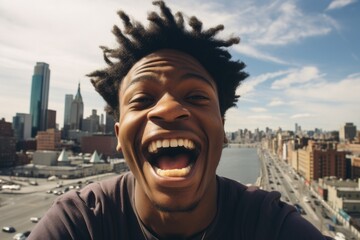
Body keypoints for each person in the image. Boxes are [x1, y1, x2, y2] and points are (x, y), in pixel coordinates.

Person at [28, 1, 332, 239]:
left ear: (223, 130)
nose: (169, 109)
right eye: (142, 99)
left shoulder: (268, 225)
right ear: (119, 136)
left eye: (197, 97)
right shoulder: (80, 223)